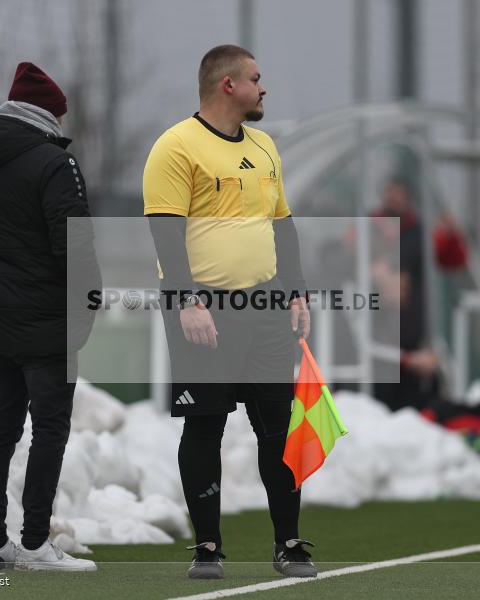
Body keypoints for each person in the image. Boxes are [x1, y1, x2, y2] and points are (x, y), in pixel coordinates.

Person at [142, 45, 314, 579]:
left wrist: (296, 292)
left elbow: (282, 227)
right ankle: (208, 548)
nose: (264, 88)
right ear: (227, 86)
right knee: (204, 428)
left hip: (263, 309)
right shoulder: (176, 146)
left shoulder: (265, 148)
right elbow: (166, 234)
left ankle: (288, 544)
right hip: (203, 311)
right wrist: (189, 301)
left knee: (278, 430)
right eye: (255, 79)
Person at [0, 62, 101, 570]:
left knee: (0, 428)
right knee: (50, 429)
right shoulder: (52, 164)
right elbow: (75, 250)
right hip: (46, 320)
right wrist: (86, 312)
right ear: (48, 114)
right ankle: (37, 542)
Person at [368, 179, 467, 411]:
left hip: (410, 337)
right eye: (390, 193)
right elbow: (338, 255)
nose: (394, 199)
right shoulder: (368, 229)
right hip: (380, 338)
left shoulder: (420, 235)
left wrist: (450, 234)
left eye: (399, 194)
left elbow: (454, 258)